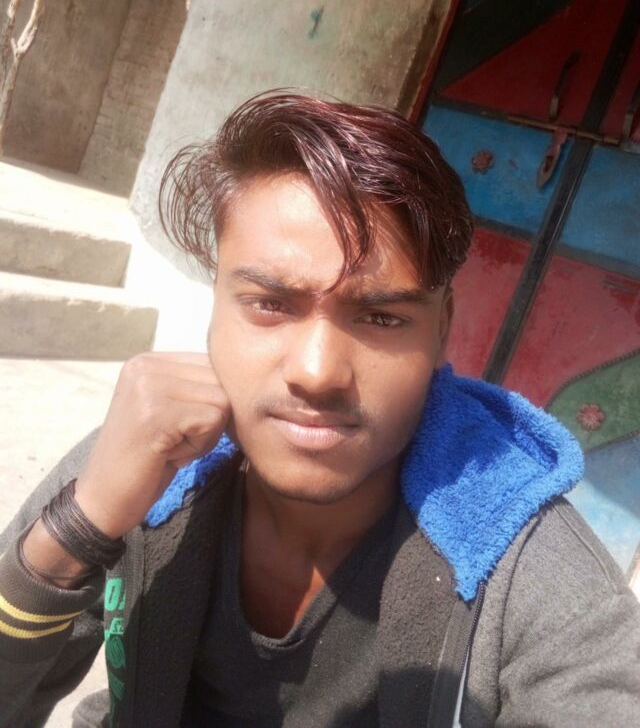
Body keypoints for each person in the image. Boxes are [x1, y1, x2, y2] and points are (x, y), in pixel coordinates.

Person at [1, 92, 638, 728]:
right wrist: (76, 532)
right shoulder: (141, 466)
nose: (317, 372)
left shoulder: (526, 567)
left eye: (381, 317)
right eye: (270, 304)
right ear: (216, 303)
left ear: (442, 329)